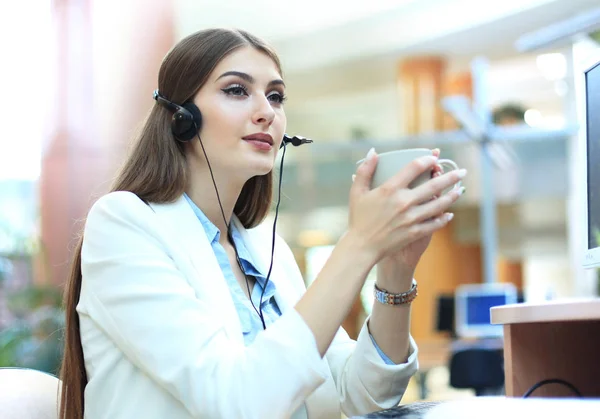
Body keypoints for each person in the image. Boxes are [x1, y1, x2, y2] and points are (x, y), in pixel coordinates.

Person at [59, 28, 466, 419]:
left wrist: (395, 268)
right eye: (237, 90)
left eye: (276, 96)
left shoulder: (265, 247)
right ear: (180, 116)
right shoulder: (124, 224)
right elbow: (236, 403)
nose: (266, 112)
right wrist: (359, 243)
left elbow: (367, 396)